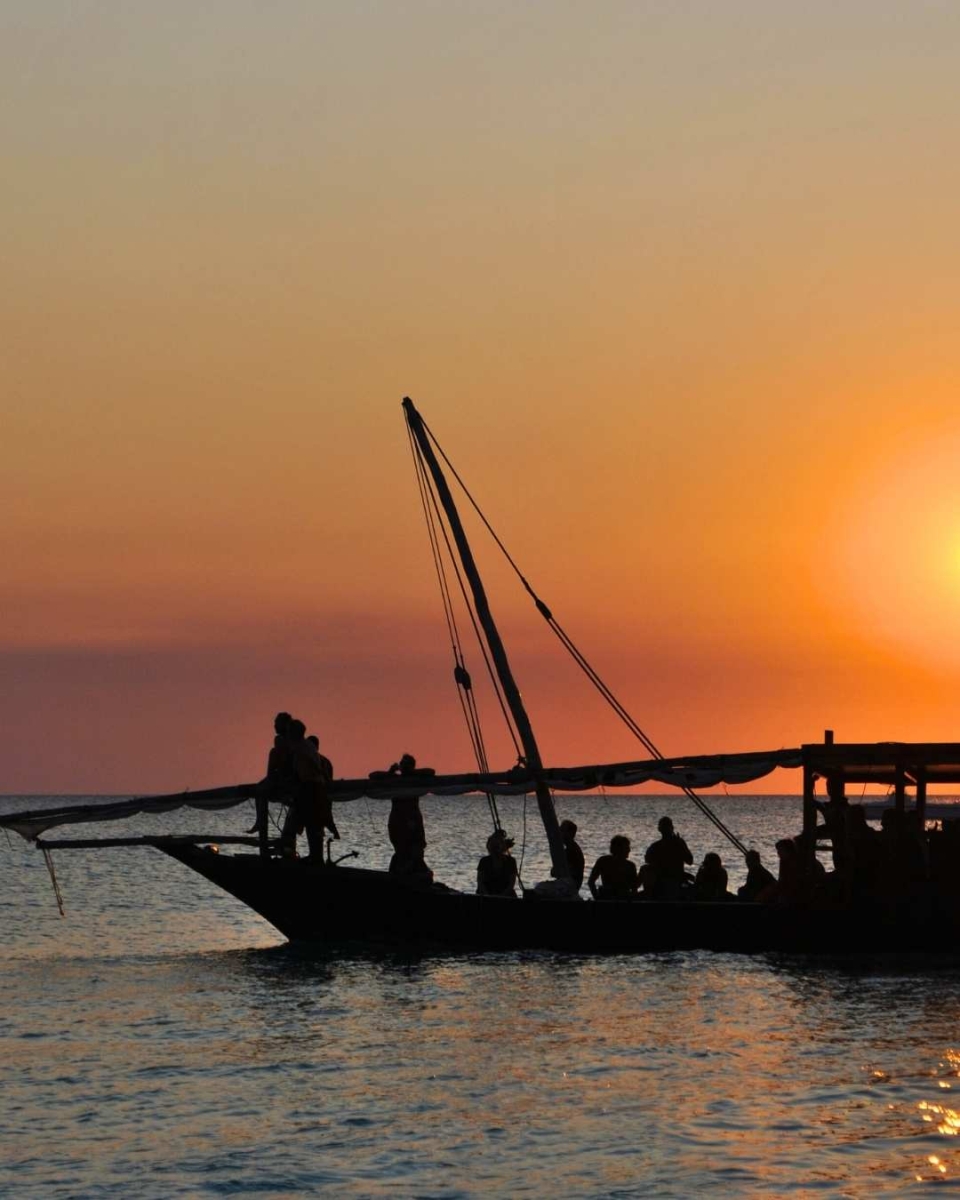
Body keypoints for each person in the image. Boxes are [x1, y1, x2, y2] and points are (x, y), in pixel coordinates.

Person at [280, 720, 336, 859]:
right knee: (311, 823)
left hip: (310, 787)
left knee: (310, 823)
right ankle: (313, 856)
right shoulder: (306, 746)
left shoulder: (302, 747)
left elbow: (313, 768)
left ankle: (313, 857)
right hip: (311, 786)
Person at [249, 711, 295, 855]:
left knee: (259, 790)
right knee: (259, 788)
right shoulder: (292, 740)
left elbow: (282, 762)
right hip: (284, 777)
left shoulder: (282, 741)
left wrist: (275, 777)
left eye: (276, 723)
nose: (274, 725)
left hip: (283, 778)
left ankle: (259, 822)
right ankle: (259, 822)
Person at [385, 753, 433, 881]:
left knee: (415, 850)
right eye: (402, 764)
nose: (403, 767)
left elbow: (431, 772)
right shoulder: (394, 780)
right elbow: (374, 776)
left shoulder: (415, 779)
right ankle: (400, 875)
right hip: (397, 821)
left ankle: (413, 874)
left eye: (406, 764)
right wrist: (390, 772)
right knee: (400, 851)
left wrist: (412, 772)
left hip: (412, 820)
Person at [644, 816, 693, 899]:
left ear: (659, 829)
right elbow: (690, 861)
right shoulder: (656, 846)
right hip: (664, 881)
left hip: (673, 881)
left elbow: (690, 861)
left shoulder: (656, 846)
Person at [588, 835, 639, 901]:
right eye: (626, 847)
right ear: (618, 849)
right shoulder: (630, 866)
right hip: (612, 898)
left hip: (614, 898)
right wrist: (597, 898)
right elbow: (591, 882)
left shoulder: (603, 861)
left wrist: (597, 898)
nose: (629, 850)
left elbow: (591, 882)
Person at [477, 830, 519, 897]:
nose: (494, 848)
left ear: (503, 847)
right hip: (485, 895)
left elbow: (511, 884)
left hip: (506, 895)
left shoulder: (511, 861)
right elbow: (480, 882)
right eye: (492, 845)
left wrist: (502, 896)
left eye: (497, 846)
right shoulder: (484, 861)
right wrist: (488, 895)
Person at [555, 819, 585, 890]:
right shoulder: (570, 848)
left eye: (562, 830)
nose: (560, 833)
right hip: (569, 884)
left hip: (569, 886)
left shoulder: (572, 850)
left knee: (540, 888)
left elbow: (562, 871)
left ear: (570, 833)